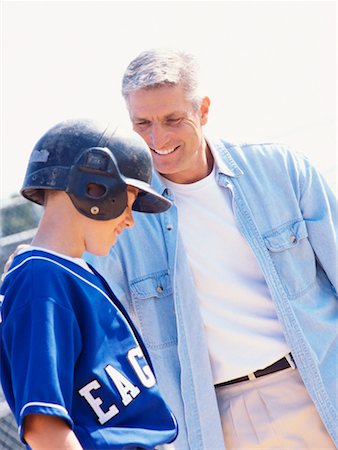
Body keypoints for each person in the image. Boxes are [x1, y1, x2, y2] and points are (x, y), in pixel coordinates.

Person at [3, 49, 337, 449]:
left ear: (204, 110)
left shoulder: (279, 170)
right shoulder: (110, 222)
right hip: (210, 416)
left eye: (172, 119)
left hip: (317, 382)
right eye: (142, 123)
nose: (157, 139)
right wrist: (29, 266)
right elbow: (60, 277)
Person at [0, 119, 178, 450]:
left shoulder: (69, 272)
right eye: (129, 199)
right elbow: (45, 429)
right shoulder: (41, 280)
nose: (129, 219)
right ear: (94, 187)